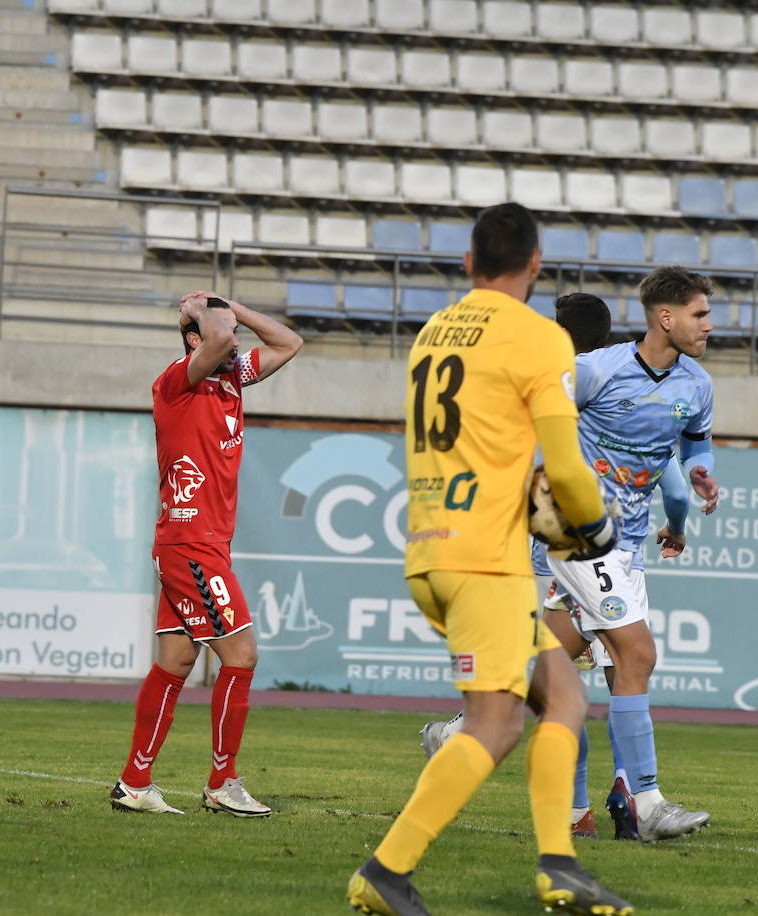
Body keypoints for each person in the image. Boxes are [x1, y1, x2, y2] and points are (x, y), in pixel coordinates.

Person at [347, 203, 632, 916]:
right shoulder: (540, 340)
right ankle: (385, 869)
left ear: (468, 264)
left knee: (565, 698)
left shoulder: (433, 330)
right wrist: (595, 529)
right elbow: (564, 468)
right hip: (487, 559)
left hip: (430, 551)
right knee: (497, 724)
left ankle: (560, 866)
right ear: (535, 266)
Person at [418, 292, 696, 842]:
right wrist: (677, 526)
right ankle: (632, 798)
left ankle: (596, 804)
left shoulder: (562, 389)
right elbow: (674, 484)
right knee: (623, 666)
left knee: (576, 678)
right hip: (587, 550)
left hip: (553, 551)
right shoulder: (628, 394)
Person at [109, 292, 302, 817]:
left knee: (175, 660)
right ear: (195, 337)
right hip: (192, 542)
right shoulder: (177, 379)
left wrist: (231, 305)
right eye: (220, 326)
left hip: (200, 542)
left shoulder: (230, 377)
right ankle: (222, 782)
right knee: (242, 656)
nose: (231, 334)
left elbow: (290, 341)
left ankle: (134, 782)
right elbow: (216, 338)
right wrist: (201, 312)